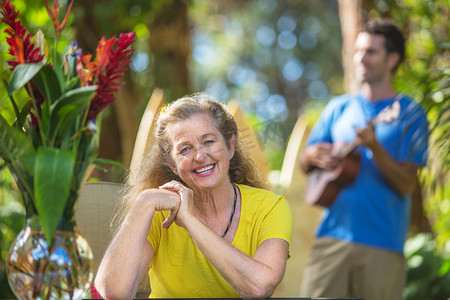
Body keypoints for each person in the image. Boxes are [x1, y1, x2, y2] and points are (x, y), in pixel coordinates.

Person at [95, 93, 294, 299]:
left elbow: (258, 288)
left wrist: (190, 220)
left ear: (230, 146)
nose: (199, 156)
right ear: (173, 165)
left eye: (208, 141)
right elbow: (113, 292)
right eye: (185, 149)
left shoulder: (270, 207)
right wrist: (143, 202)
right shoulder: (158, 213)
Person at [299, 19, 429, 300]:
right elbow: (305, 164)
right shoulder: (339, 107)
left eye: (370, 51)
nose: (360, 58)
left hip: (382, 245)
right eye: (358, 50)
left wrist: (375, 148)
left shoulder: (409, 114)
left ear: (392, 59)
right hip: (330, 237)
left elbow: (406, 185)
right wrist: (311, 156)